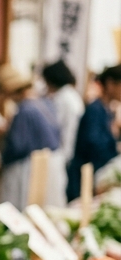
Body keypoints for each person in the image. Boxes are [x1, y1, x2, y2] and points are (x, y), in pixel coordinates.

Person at [0, 64, 60, 210]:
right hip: (51, 164)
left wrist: (0, 161)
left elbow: (17, 145)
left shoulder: (25, 109)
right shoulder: (45, 103)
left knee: (22, 209)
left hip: (29, 167)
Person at [69, 65, 121, 200]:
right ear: (110, 84)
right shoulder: (95, 110)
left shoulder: (107, 110)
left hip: (94, 177)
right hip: (84, 179)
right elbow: (93, 144)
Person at [43, 60, 83, 207]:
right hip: (65, 151)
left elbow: (62, 129)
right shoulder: (70, 96)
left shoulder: (64, 98)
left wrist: (66, 155)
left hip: (63, 151)